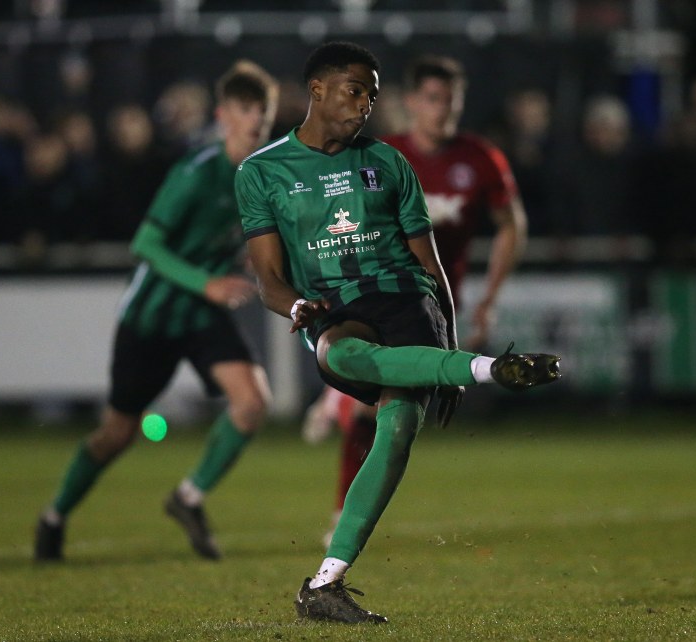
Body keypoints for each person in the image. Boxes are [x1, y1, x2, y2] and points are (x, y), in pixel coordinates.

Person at [235, 41, 559, 624]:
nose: (365, 105)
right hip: (333, 306)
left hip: (407, 299)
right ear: (317, 90)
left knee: (400, 421)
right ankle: (491, 369)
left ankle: (325, 583)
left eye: (372, 95)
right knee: (341, 355)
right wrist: (296, 307)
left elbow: (431, 268)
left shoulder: (388, 162)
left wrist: (449, 344)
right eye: (355, 91)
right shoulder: (262, 171)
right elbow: (267, 279)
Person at [34, 59, 279, 562]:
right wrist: (204, 281)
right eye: (246, 109)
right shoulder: (196, 173)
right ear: (223, 115)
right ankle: (54, 514)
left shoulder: (262, 178)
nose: (256, 119)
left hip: (201, 315)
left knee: (253, 402)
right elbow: (145, 242)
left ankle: (188, 498)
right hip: (152, 317)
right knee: (117, 434)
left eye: (264, 110)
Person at [302, 54, 529, 546]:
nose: (442, 109)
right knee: (374, 408)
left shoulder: (479, 157)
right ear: (411, 103)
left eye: (451, 100)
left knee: (394, 410)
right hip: (375, 296)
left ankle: (333, 404)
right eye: (432, 98)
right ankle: (342, 509)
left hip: (430, 300)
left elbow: (513, 224)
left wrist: (488, 298)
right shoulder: (383, 156)